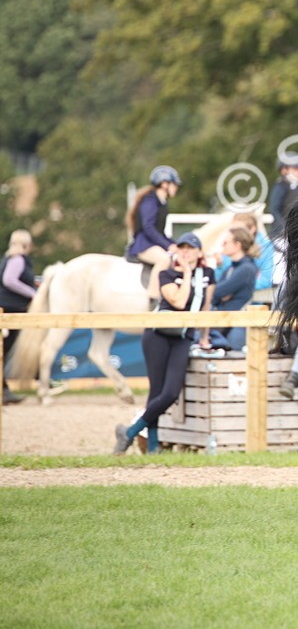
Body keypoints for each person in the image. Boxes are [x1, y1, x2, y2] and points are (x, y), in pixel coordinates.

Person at [114, 232, 214, 455]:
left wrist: (204, 337)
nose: (186, 252)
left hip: (183, 336)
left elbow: (206, 306)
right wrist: (187, 273)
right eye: (182, 248)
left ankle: (129, 432)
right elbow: (178, 301)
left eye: (190, 248)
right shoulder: (166, 273)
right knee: (156, 391)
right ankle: (153, 446)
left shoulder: (208, 274)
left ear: (199, 252)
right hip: (158, 334)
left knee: (170, 393)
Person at [125, 165, 182, 301]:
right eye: (174, 184)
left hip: (151, 242)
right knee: (164, 259)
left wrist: (176, 245)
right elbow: (148, 227)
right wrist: (167, 246)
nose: (176, 188)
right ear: (164, 184)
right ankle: (153, 296)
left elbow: (160, 232)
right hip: (143, 244)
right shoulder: (150, 200)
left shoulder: (162, 203)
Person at [203, 226, 260, 353]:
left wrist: (221, 295)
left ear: (237, 245)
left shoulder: (246, 268)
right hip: (224, 320)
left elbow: (215, 292)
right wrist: (220, 295)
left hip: (236, 324)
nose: (222, 246)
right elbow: (215, 295)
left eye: (225, 243)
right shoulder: (232, 268)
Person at [0, 229, 38, 404]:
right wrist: (32, 293)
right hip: (11, 310)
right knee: (5, 349)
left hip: (9, 308)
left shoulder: (9, 258)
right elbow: (9, 280)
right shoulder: (17, 259)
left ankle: (4, 390)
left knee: (5, 350)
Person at [268, 157, 298, 240]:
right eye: (295, 169)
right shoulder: (280, 187)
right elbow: (274, 209)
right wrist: (284, 228)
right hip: (281, 235)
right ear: (284, 170)